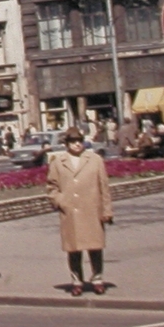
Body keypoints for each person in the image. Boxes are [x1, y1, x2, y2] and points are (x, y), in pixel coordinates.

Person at [46, 126, 113, 296]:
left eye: (79, 141)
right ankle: (77, 281)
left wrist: (107, 210)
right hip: (71, 212)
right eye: (72, 142)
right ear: (66, 144)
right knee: (74, 249)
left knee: (95, 247)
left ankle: (97, 279)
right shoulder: (58, 162)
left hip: (92, 209)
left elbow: (104, 187)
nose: (76, 145)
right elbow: (51, 187)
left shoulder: (95, 159)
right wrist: (61, 201)